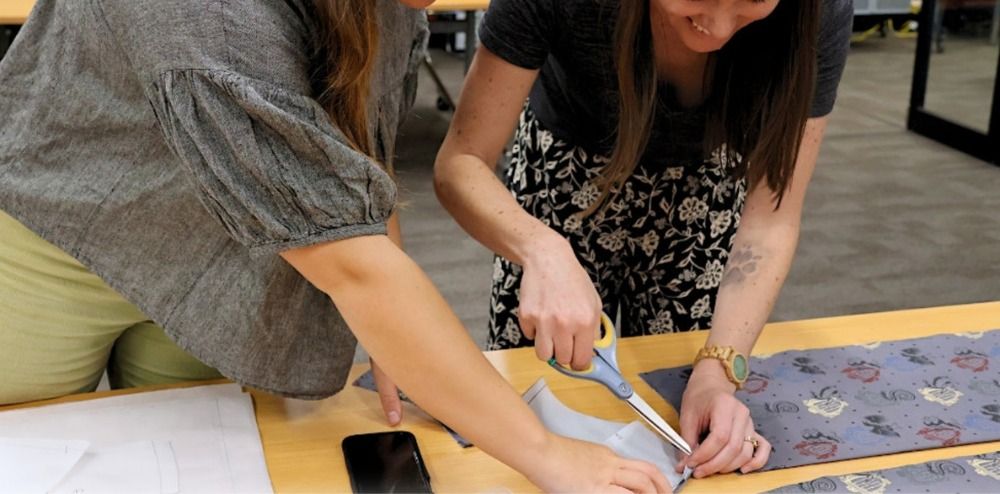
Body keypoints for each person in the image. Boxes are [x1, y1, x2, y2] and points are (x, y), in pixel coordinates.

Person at [0, 0, 669, 491]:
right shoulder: (203, 19)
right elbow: (355, 268)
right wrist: (547, 456)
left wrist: (395, 336)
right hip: (56, 238)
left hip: (219, 254)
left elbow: (355, 156)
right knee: (26, 456)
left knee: (197, 466)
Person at [435, 0, 853, 479]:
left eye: (749, 6)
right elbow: (460, 162)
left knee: (679, 406)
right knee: (532, 416)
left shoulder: (820, 9)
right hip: (564, 181)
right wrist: (540, 250)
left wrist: (719, 371)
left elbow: (772, 220)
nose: (716, 28)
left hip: (703, 195)